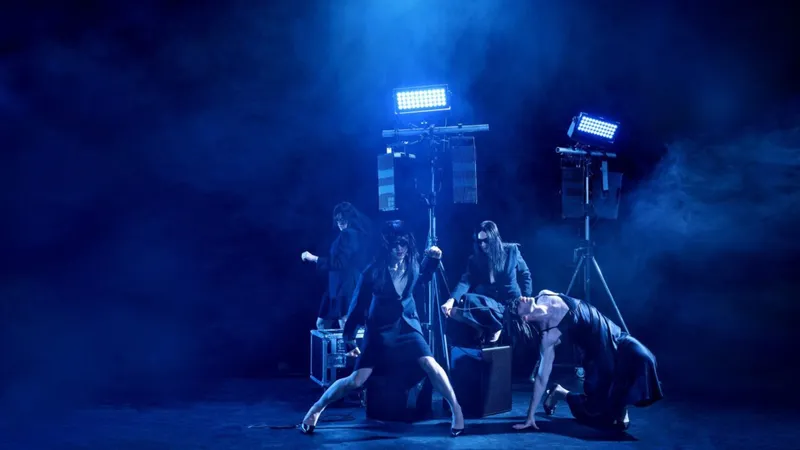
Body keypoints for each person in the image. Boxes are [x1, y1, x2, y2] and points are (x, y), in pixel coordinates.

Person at [298, 220, 466, 437]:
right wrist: (349, 340)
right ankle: (316, 409)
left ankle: (456, 409)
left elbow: (422, 278)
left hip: (407, 325)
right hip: (380, 329)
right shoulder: (373, 272)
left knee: (430, 364)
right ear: (387, 246)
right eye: (395, 245)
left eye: (403, 244)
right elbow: (357, 306)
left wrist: (433, 260)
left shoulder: (413, 263)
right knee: (356, 380)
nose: (400, 250)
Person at [512, 290, 664, 432]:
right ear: (524, 319)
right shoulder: (548, 337)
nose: (520, 298)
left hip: (614, 335)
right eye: (518, 305)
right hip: (598, 356)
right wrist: (530, 416)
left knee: (646, 359)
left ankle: (620, 406)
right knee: (597, 413)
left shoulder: (544, 294)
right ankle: (560, 393)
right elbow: (541, 378)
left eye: (517, 300)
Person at [440, 220, 534, 345]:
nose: (483, 245)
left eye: (486, 241)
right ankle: (492, 325)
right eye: (480, 242)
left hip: (511, 302)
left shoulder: (511, 251)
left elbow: (525, 274)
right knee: (463, 303)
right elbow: (465, 281)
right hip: (490, 304)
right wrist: (451, 300)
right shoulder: (474, 260)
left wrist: (526, 298)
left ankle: (496, 325)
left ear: (494, 239)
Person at [301, 202, 371, 330]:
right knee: (322, 324)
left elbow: (340, 263)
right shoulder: (352, 234)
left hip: (345, 286)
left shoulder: (349, 234)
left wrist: (314, 258)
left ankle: (353, 343)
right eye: (337, 219)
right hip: (336, 286)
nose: (339, 223)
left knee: (345, 325)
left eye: (343, 219)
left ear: (350, 219)